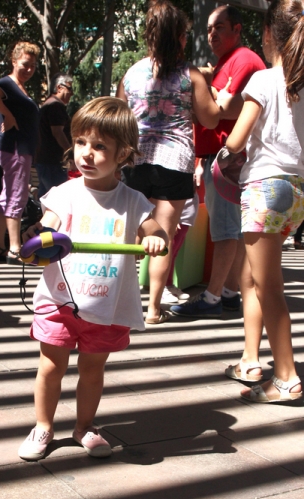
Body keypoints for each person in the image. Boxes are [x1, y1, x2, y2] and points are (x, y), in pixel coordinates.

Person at [18, 97, 168, 461]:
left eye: (99, 146)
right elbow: (49, 227)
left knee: (92, 370)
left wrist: (154, 239)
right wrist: (39, 238)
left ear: (123, 154)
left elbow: (157, 233)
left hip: (105, 306)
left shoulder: (133, 201)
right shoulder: (64, 194)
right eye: (81, 142)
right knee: (51, 366)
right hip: (59, 301)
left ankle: (84, 426)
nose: (86, 153)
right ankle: (43, 426)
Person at [116, 0, 223, 324]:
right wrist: (213, 92)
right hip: (174, 161)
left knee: (130, 233)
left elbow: (119, 117)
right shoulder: (190, 75)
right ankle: (152, 309)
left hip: (135, 159)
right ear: (179, 37)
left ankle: (118, 300)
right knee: (163, 234)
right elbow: (211, 119)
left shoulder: (131, 74)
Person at [224, 0, 304, 402]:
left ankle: (286, 377)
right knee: (254, 277)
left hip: (264, 188)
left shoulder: (265, 79)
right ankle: (250, 359)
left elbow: (236, 139)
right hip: (297, 191)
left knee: (269, 287)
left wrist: (224, 157)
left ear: (269, 34)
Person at [172, 5, 266, 318]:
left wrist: (207, 90)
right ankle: (228, 293)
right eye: (209, 28)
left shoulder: (243, 59)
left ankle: (212, 298)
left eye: (219, 27)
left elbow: (223, 109)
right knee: (233, 231)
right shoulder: (228, 61)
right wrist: (212, 88)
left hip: (229, 158)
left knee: (226, 231)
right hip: (220, 157)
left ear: (237, 29)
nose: (211, 34)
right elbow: (217, 104)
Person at [0, 41, 40, 264]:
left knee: (8, 195)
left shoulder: (18, 86)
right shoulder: (7, 83)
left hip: (18, 147)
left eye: (33, 66)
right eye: (25, 64)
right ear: (14, 61)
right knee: (17, 196)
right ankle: (15, 248)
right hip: (16, 147)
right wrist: (8, 115)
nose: (29, 69)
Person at [35, 73, 73, 197]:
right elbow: (58, 132)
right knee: (58, 199)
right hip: (53, 162)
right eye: (70, 88)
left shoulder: (47, 104)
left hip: (45, 161)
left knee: (46, 198)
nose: (72, 93)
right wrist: (70, 152)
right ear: (59, 88)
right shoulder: (56, 106)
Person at [161, 194, 199, 304]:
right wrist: (174, 217)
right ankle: (163, 288)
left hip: (186, 213)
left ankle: (169, 284)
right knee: (168, 252)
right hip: (177, 211)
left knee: (174, 253)